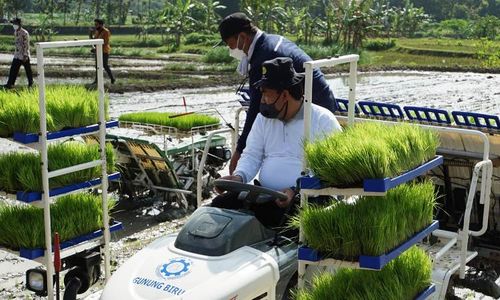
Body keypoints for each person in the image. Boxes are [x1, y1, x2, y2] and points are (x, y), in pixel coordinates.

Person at [212, 57, 342, 228]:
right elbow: (252, 154)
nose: (262, 100)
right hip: (265, 194)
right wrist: (239, 176)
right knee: (219, 206)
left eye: (266, 94)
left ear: (285, 95)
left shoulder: (322, 120)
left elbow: (330, 170)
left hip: (307, 198)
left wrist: (296, 190)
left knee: (277, 222)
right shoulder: (263, 120)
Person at [218, 12, 339, 174]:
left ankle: (294, 190)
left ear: (242, 37)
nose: (230, 49)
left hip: (309, 110)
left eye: (230, 44)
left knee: (298, 160)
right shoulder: (269, 40)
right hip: (314, 100)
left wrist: (239, 151)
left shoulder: (264, 58)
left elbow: (255, 108)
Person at [4, 18, 33, 89]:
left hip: (24, 55)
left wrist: (25, 55)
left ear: (19, 24)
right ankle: (10, 84)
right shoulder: (15, 32)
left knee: (28, 71)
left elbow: (26, 45)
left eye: (15, 24)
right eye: (13, 24)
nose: (14, 25)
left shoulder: (24, 33)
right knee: (13, 69)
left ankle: (31, 84)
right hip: (17, 55)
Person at [90, 18, 115, 84]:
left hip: (104, 51)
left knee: (104, 65)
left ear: (101, 25)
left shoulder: (106, 32)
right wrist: (90, 34)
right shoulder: (97, 31)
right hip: (98, 51)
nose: (95, 26)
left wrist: (96, 48)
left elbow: (105, 42)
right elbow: (94, 41)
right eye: (95, 24)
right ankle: (96, 80)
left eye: (96, 24)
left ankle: (112, 78)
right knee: (97, 66)